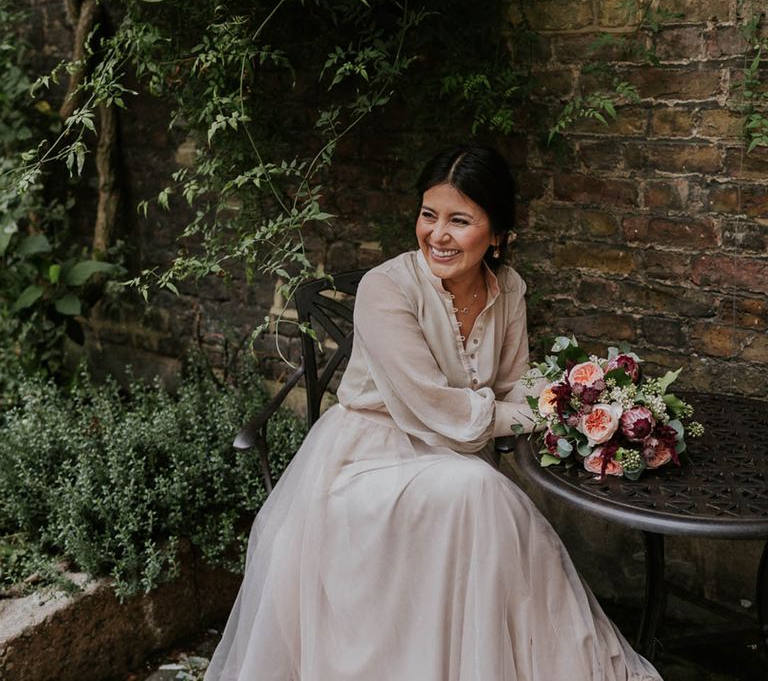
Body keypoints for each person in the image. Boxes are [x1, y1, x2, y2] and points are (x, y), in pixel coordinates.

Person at [204, 145, 662, 680]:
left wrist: (577, 414)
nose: (437, 234)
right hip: (365, 463)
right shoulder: (385, 289)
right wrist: (545, 415)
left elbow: (516, 386)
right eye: (428, 214)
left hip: (456, 468)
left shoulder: (508, 288)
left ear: (497, 235)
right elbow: (439, 410)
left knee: (477, 492)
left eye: (459, 220)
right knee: (480, 491)